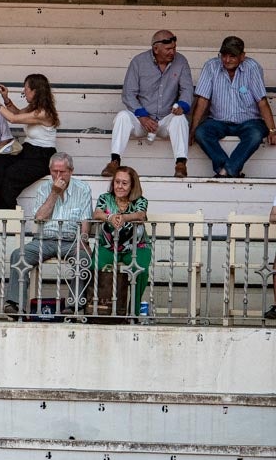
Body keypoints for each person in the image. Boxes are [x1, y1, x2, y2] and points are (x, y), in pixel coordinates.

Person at [3, 152, 93, 319]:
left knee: (84, 257)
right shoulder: (44, 188)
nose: (58, 176)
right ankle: (16, 304)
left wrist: (84, 239)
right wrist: (54, 193)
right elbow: (39, 218)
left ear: (71, 171)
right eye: (54, 171)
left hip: (70, 241)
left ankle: (73, 305)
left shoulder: (83, 189)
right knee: (18, 255)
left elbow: (86, 219)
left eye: (62, 172)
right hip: (44, 240)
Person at [102, 30, 193, 179]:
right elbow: (128, 93)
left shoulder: (181, 61)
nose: (173, 52)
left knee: (180, 119)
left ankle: (181, 164)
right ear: (156, 49)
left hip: (165, 120)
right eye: (168, 49)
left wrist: (182, 105)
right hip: (141, 121)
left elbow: (187, 89)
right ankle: (114, 161)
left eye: (174, 48)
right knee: (122, 116)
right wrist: (142, 116)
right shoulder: (138, 62)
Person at [190, 36, 276, 178]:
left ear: (242, 56)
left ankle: (225, 171)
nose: (227, 60)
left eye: (232, 56)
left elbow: (262, 102)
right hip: (218, 121)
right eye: (224, 55)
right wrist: (193, 129)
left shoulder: (252, 68)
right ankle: (231, 169)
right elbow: (202, 100)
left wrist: (272, 130)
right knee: (201, 133)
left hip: (249, 121)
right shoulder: (211, 66)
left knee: (255, 134)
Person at [0, 74, 59, 210]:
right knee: (0, 157)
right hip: (28, 150)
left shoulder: (44, 113)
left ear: (35, 90)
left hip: (41, 157)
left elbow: (13, 119)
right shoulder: (32, 108)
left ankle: (9, 219)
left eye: (26, 88)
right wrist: (6, 99)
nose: (23, 91)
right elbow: (18, 113)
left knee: (9, 177)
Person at [92, 165, 150, 316]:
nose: (120, 186)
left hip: (136, 246)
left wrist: (124, 217)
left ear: (132, 185)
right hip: (108, 245)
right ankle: (99, 309)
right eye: (117, 182)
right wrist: (110, 217)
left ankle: (133, 311)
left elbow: (140, 215)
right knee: (94, 267)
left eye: (124, 183)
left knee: (140, 270)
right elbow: (97, 213)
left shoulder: (140, 200)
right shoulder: (105, 198)